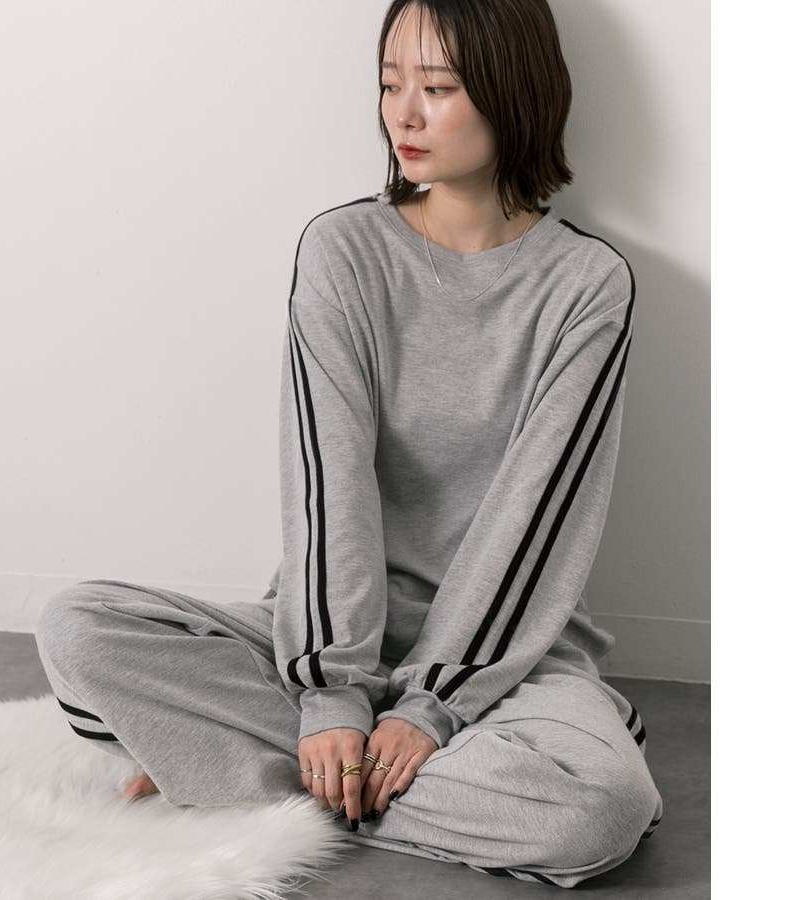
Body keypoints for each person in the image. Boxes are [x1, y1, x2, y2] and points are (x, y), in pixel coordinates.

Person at [35, 0, 664, 888]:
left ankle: (231, 770)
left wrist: (433, 703)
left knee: (599, 807)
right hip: (329, 629)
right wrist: (333, 692)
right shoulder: (344, 250)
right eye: (389, 83)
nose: (403, 113)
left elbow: (539, 521)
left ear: (513, 93)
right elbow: (327, 483)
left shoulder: (587, 284)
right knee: (78, 630)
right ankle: (335, 767)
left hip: (507, 651)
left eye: (437, 88)